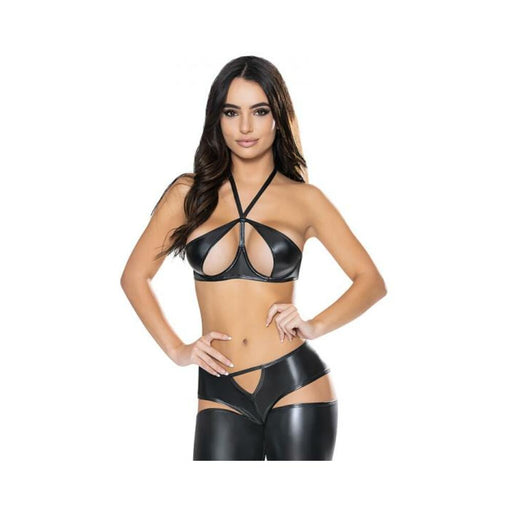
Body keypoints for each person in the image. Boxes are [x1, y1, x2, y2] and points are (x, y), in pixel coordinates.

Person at [120, 55, 387, 460]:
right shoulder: (188, 194)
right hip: (219, 389)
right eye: (232, 112)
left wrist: (314, 325)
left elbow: (370, 281)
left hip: (296, 384)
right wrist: (177, 350)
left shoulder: (305, 200)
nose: (245, 127)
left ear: (278, 116)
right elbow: (134, 277)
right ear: (217, 119)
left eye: (259, 111)